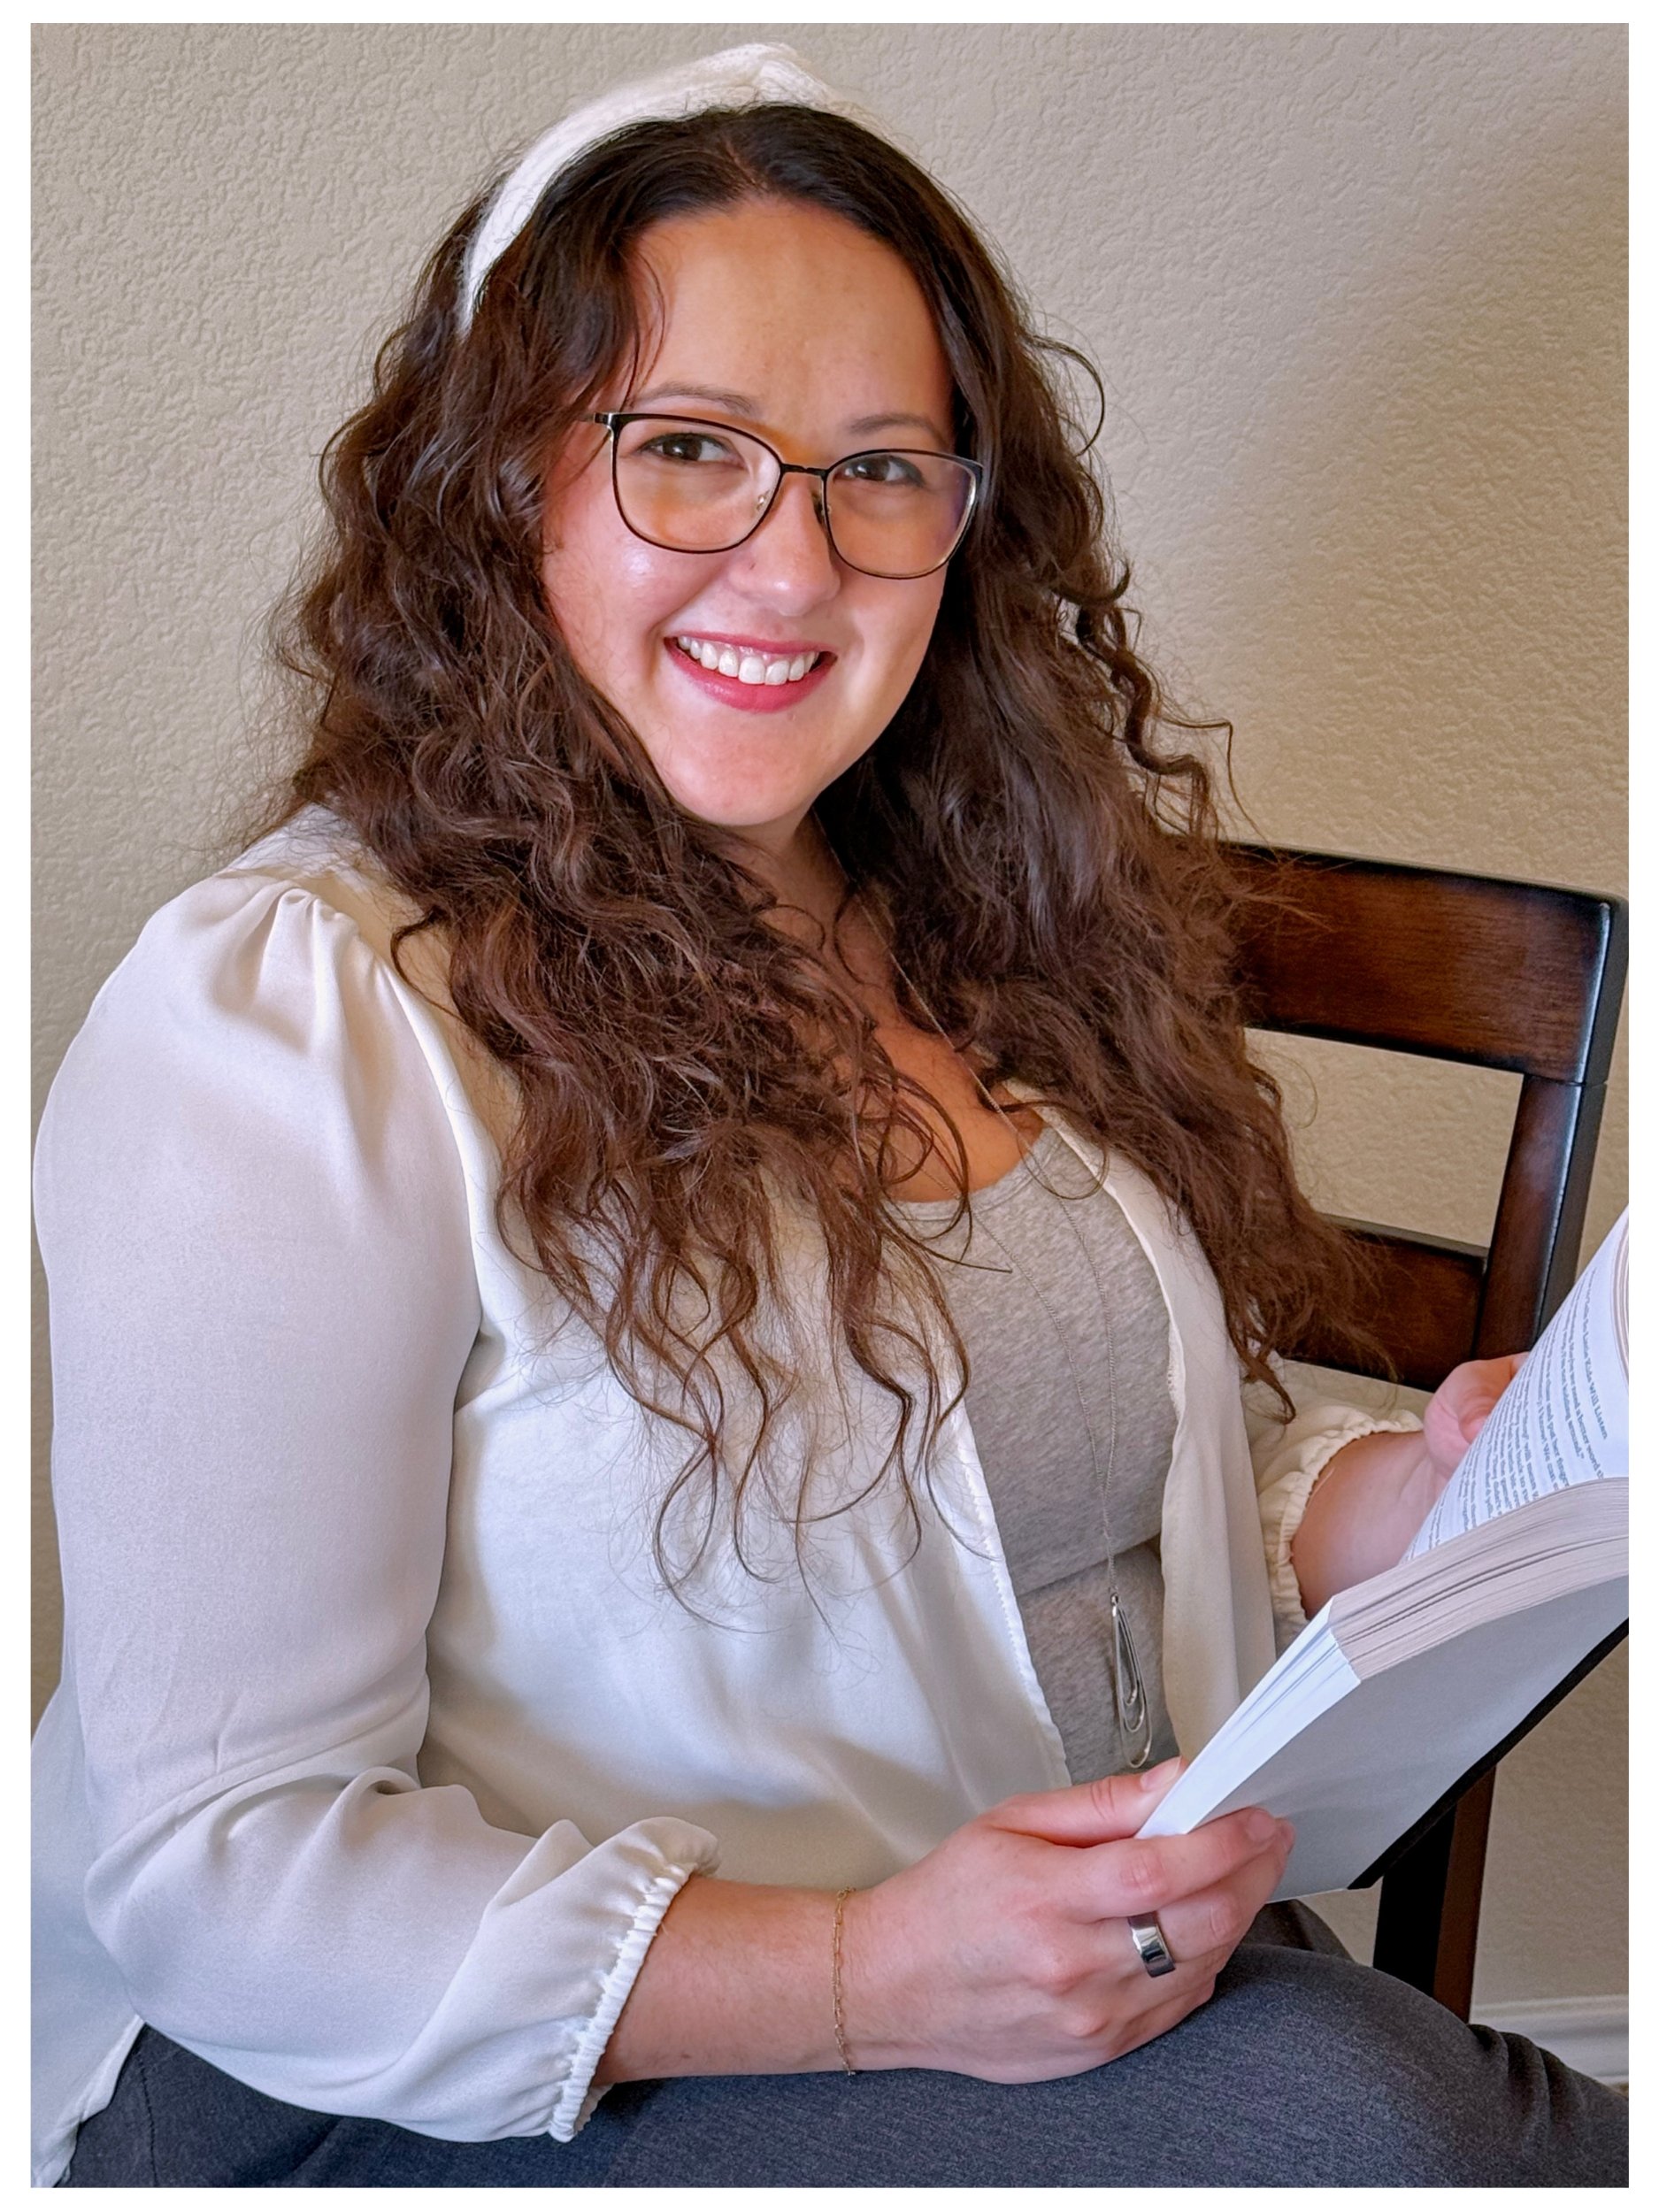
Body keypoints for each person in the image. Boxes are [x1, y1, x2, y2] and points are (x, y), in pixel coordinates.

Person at [33, 42, 1625, 2189]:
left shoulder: (970, 918)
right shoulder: (294, 1016)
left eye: (882, 467)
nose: (792, 562)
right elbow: (218, 1856)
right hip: (425, 2072)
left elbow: (1039, 1477)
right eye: (689, 448)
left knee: (1426, 2124)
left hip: (1046, 1970)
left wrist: (1409, 1509)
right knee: (1391, 2130)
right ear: (503, 479)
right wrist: (875, 1971)